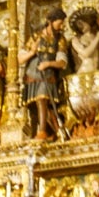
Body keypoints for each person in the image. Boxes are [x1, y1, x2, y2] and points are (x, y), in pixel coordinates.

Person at [19, 8, 69, 141]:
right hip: (33, 75)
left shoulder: (60, 40)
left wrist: (48, 64)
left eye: (62, 24)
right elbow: (20, 59)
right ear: (50, 22)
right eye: (59, 24)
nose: (61, 27)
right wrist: (32, 52)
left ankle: (42, 132)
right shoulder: (36, 36)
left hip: (47, 76)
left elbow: (62, 62)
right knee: (39, 106)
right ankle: (53, 131)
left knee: (43, 99)